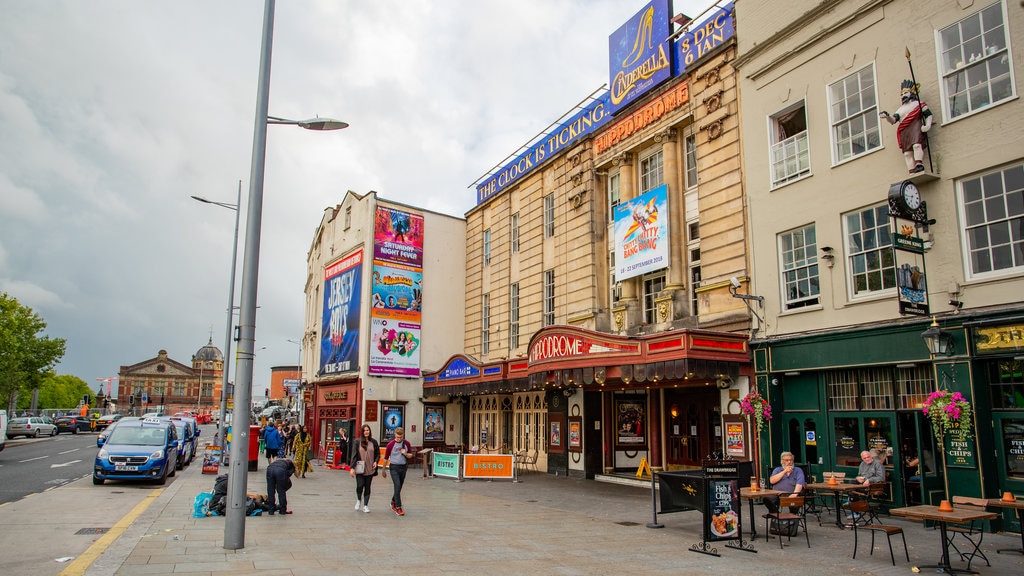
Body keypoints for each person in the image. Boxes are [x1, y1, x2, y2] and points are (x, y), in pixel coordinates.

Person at [880, 79, 934, 174]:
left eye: (905, 93)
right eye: (901, 94)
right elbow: (893, 120)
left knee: (917, 145)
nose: (903, 95)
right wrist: (887, 116)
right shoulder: (900, 110)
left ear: (912, 92)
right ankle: (911, 170)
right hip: (904, 130)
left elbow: (928, 114)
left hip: (915, 126)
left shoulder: (918, 104)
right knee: (907, 153)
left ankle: (919, 164)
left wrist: (928, 124)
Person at [349, 425, 380, 513]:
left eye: (368, 430)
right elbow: (354, 455)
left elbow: (378, 454)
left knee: (367, 486)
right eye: (365, 430)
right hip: (360, 467)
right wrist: (352, 467)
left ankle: (366, 505)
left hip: (370, 468)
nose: (366, 432)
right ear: (362, 432)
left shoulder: (373, 442)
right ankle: (359, 500)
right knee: (360, 485)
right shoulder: (357, 442)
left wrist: (376, 462)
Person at [384, 426, 413, 516]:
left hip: (403, 467)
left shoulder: (407, 444)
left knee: (399, 487)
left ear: (403, 435)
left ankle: (393, 501)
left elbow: (410, 455)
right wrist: (383, 470)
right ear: (394, 435)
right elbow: (385, 458)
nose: (399, 439)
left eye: (400, 437)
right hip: (394, 467)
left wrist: (405, 453)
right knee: (397, 485)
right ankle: (398, 507)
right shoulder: (390, 445)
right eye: (397, 437)